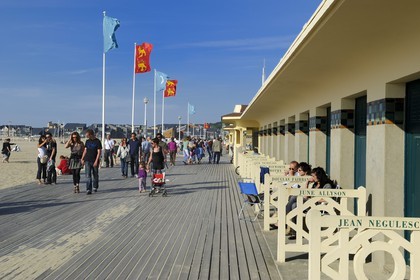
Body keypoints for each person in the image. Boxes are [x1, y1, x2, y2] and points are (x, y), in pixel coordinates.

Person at [81, 129, 102, 195]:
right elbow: (85, 150)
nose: (86, 136)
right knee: (88, 175)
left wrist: (96, 161)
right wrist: (82, 158)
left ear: (91, 134)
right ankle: (88, 189)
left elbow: (99, 152)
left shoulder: (97, 141)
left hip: (94, 160)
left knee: (95, 174)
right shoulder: (87, 141)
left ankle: (95, 186)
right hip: (87, 159)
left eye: (87, 135)